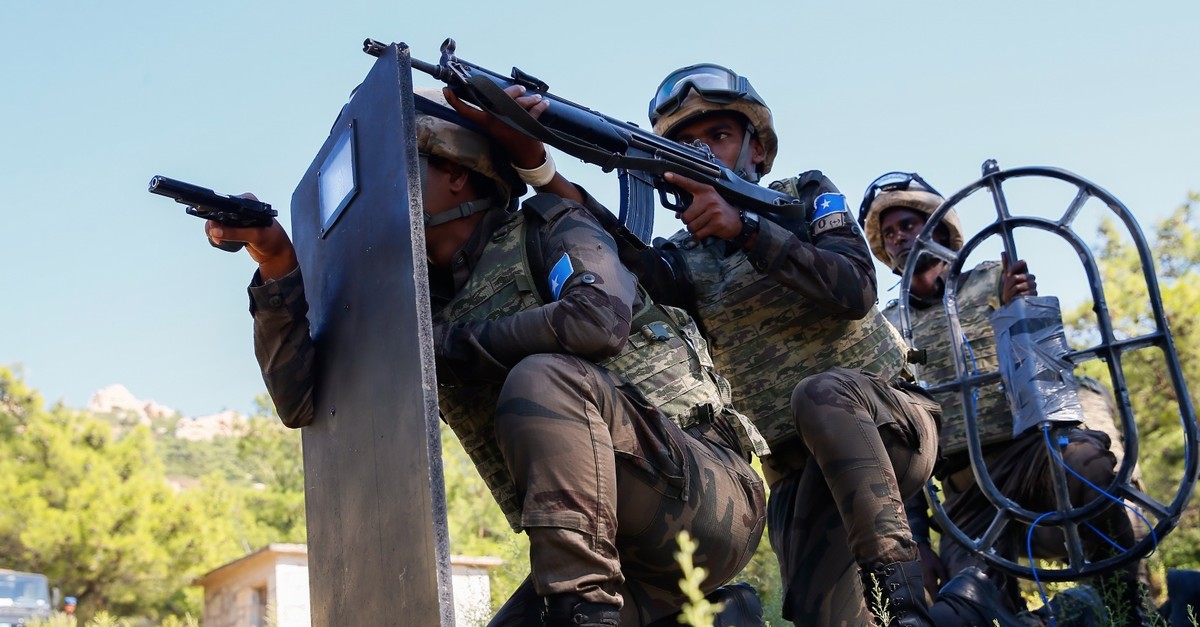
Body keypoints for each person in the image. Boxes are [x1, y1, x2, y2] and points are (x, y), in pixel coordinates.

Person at [208, 88, 766, 627]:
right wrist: (276, 262)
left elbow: (596, 322)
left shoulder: (547, 227)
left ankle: (584, 616)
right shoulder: (413, 303)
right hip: (607, 547)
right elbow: (302, 401)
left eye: (397, 170)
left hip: (709, 498)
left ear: (456, 171)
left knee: (545, 378)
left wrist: (445, 347)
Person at [859, 171, 1146, 624]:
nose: (899, 239)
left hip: (1033, 451)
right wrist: (917, 539)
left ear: (938, 228)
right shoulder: (887, 327)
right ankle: (1061, 616)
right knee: (971, 600)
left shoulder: (991, 281)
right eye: (890, 233)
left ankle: (1126, 609)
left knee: (1091, 472)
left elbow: (1042, 359)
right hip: (966, 486)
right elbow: (897, 438)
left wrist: (1017, 306)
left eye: (909, 225)